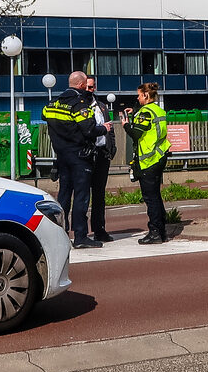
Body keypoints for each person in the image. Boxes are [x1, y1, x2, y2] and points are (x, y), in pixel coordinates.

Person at [41, 70, 100, 247]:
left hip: (61, 157)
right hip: (79, 156)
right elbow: (89, 129)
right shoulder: (79, 104)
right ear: (82, 85)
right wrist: (104, 128)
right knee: (81, 197)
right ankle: (81, 237)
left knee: (64, 196)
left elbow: (44, 116)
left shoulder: (53, 103)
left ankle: (61, 234)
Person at [121, 82, 170, 243]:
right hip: (159, 156)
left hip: (148, 160)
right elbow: (149, 127)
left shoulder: (146, 112)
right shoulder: (157, 109)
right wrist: (135, 111)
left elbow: (136, 133)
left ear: (146, 95)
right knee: (156, 196)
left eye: (139, 95)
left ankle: (155, 232)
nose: (137, 98)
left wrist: (126, 125)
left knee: (151, 198)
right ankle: (161, 230)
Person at [84, 75, 117, 242]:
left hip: (102, 154)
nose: (90, 90)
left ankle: (99, 229)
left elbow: (110, 128)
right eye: (87, 87)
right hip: (87, 155)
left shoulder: (102, 106)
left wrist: (112, 148)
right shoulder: (80, 107)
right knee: (83, 195)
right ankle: (81, 233)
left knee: (99, 195)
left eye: (92, 87)